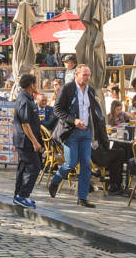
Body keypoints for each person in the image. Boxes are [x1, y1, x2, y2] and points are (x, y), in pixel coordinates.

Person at [47, 64, 109, 208]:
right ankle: (55, 180)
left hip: (86, 132)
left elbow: (93, 112)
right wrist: (73, 120)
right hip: (71, 131)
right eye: (84, 75)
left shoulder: (91, 91)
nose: (87, 78)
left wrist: (95, 131)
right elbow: (57, 109)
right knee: (71, 163)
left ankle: (82, 198)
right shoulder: (67, 89)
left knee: (86, 165)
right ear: (76, 75)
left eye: (89, 75)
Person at [12, 73, 43, 209]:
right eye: (36, 83)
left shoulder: (27, 98)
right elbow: (25, 124)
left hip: (25, 140)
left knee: (24, 167)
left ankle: (19, 195)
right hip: (26, 141)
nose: (37, 86)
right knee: (34, 167)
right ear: (31, 84)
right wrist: (35, 142)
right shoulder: (24, 100)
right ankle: (23, 195)